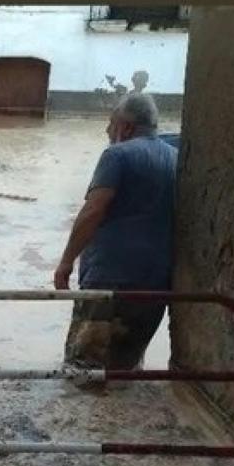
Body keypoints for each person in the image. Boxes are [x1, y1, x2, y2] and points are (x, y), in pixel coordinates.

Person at [53, 93, 177, 371]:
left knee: (83, 372)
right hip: (156, 284)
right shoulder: (176, 158)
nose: (107, 130)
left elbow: (93, 210)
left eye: (110, 123)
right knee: (126, 371)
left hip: (109, 280)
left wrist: (65, 262)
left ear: (126, 127)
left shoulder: (116, 155)